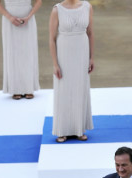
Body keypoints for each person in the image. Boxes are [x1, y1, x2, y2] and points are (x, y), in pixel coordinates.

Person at [49, 0, 94, 143]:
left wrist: (91, 57)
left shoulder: (87, 7)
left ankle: (78, 128)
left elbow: (90, 33)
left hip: (82, 51)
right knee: (64, 89)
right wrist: (55, 63)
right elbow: (51, 38)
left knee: (80, 88)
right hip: (64, 53)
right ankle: (62, 130)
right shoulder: (57, 10)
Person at [0, 0, 41, 99]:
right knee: (12, 53)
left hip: (28, 19)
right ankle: (15, 88)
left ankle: (29, 87)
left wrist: (29, 17)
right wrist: (10, 17)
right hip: (9, 20)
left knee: (28, 53)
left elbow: (38, 1)